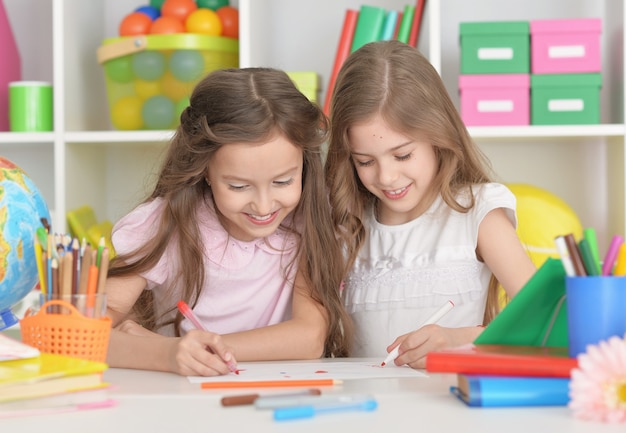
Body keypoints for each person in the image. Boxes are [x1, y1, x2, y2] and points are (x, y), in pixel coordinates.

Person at [105, 67, 352, 376]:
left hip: (281, 394)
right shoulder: (165, 224)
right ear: (204, 169)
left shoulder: (309, 217)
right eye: (238, 186)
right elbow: (82, 335)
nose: (264, 206)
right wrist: (167, 353)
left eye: (283, 182)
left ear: (304, 164)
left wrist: (203, 349)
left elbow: (309, 338)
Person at [324, 40, 536, 369]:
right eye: (365, 161)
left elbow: (544, 319)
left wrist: (458, 339)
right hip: (366, 411)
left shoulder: (477, 211)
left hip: (452, 405)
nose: (387, 177)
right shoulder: (347, 222)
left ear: (438, 136)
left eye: (403, 155)